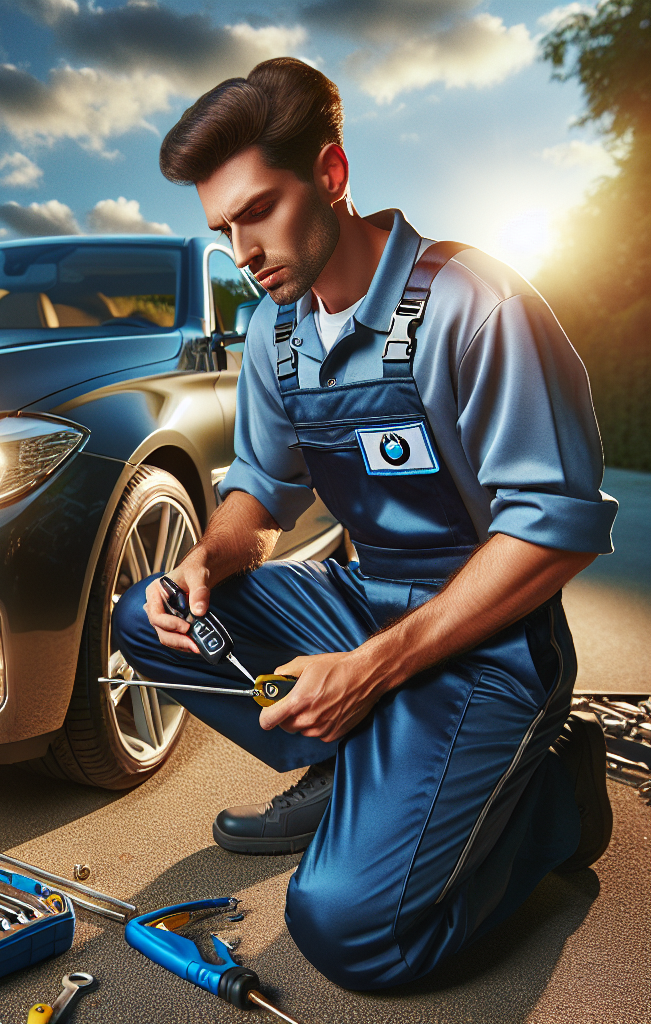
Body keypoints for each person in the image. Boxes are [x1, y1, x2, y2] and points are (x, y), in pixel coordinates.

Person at [112, 57, 617, 990]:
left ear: (332, 176)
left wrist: (369, 671)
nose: (241, 249)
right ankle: (366, 770)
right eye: (224, 228)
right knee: (147, 615)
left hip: (493, 644)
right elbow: (263, 486)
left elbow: (556, 531)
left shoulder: (475, 304)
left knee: (350, 932)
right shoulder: (275, 331)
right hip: (362, 603)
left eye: (257, 211)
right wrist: (210, 559)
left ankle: (551, 807)